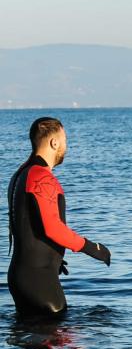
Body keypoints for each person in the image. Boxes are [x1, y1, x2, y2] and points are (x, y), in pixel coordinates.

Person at [7, 117, 111, 316]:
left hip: (22, 275)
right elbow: (52, 228)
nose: (66, 146)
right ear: (54, 142)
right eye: (65, 140)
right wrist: (94, 249)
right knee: (61, 344)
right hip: (39, 279)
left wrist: (54, 255)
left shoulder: (19, 175)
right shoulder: (42, 177)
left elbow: (25, 224)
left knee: (31, 343)